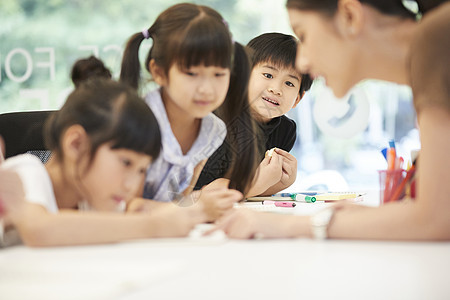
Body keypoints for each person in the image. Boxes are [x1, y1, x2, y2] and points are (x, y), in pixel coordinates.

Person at [216, 0, 450, 241]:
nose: (303, 62)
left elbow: (434, 219)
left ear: (349, 16)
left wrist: (294, 225)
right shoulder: (433, 51)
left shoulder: (437, 40)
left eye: (303, 36)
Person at [0, 79, 210, 247]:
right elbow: (40, 229)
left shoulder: (88, 199)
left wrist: (198, 209)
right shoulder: (25, 174)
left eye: (141, 171)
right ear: (76, 144)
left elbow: (135, 207)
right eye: (126, 163)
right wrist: (153, 226)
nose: (131, 185)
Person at [120, 3, 259, 210]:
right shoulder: (139, 123)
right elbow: (129, 207)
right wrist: (198, 209)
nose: (207, 89)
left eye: (219, 74)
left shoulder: (212, 129)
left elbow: (180, 199)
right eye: (192, 74)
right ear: (159, 72)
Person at [196, 32, 313, 197]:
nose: (276, 89)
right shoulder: (217, 119)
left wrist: (280, 183)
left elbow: (252, 193)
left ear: (297, 99)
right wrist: (258, 182)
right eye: (268, 75)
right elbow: (198, 194)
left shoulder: (286, 130)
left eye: (289, 83)